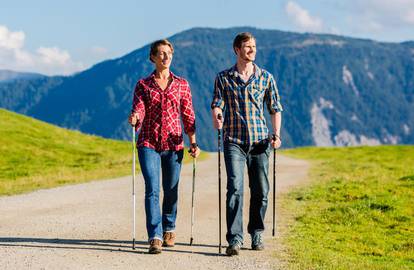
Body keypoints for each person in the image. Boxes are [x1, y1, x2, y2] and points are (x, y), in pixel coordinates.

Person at [211, 32, 283, 256]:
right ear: (236, 50)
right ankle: (234, 238)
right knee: (235, 188)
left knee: (261, 190)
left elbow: (275, 108)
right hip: (233, 140)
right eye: (247, 46)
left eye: (253, 46)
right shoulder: (224, 77)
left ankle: (257, 232)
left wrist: (276, 134)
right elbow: (217, 103)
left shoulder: (265, 77)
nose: (252, 50)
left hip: (260, 142)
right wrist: (217, 115)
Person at [129, 39, 200, 254]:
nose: (165, 57)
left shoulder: (181, 84)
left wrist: (193, 142)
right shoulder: (143, 84)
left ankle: (169, 227)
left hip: (174, 144)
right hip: (148, 143)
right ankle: (155, 236)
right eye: (160, 53)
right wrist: (135, 118)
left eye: (168, 53)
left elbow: (188, 116)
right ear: (152, 57)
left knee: (171, 190)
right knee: (152, 189)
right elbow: (139, 108)